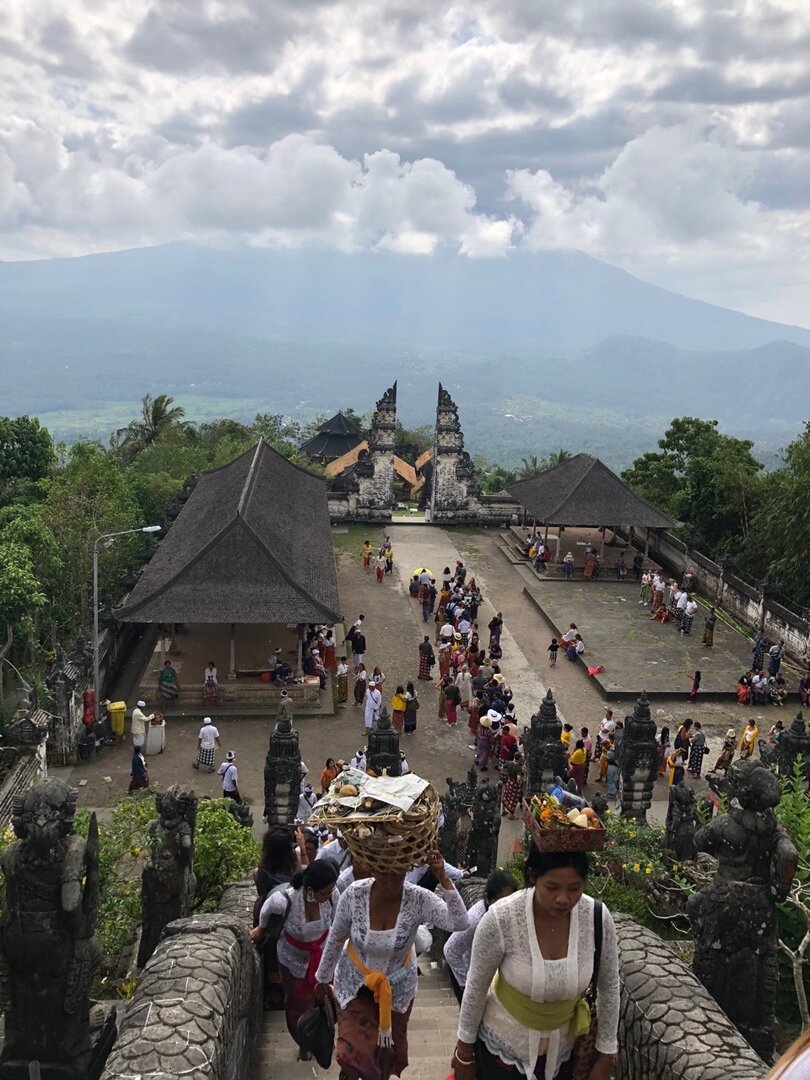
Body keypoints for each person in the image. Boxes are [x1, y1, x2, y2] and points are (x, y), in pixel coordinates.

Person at [453, 848, 619, 1080]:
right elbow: (476, 985)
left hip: (566, 1053)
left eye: (574, 888)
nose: (563, 898)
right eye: (551, 887)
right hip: (503, 1052)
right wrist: (464, 1051)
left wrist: (606, 1054)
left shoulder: (597, 918)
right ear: (532, 876)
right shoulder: (502, 918)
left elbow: (609, 986)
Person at [315, 851, 468, 1080]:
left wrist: (443, 877)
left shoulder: (418, 898)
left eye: (398, 873)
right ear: (372, 868)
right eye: (384, 873)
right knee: (352, 1050)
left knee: (385, 1053)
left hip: (397, 989)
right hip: (355, 984)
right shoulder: (354, 895)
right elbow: (337, 937)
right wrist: (321, 979)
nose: (391, 881)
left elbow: (459, 922)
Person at [253, 858, 340, 1059]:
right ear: (311, 889)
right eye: (325, 892)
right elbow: (266, 909)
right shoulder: (286, 900)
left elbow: (336, 922)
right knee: (297, 1005)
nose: (329, 895)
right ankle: (303, 1041)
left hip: (322, 956)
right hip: (293, 960)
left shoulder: (332, 896)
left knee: (327, 1001)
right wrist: (261, 928)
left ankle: (322, 1034)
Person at [444, 871, 518, 1004]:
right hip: (467, 972)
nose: (505, 907)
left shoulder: (509, 914)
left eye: (509, 902)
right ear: (488, 899)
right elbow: (450, 950)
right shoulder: (475, 921)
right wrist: (467, 982)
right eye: (500, 902)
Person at [501, 754, 524, 819]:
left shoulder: (509, 763)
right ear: (519, 759)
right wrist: (519, 783)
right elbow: (518, 778)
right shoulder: (518, 767)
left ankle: (503, 810)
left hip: (509, 782)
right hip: (514, 784)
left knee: (506, 795)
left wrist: (506, 773)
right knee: (513, 799)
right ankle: (511, 815)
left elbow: (502, 768)